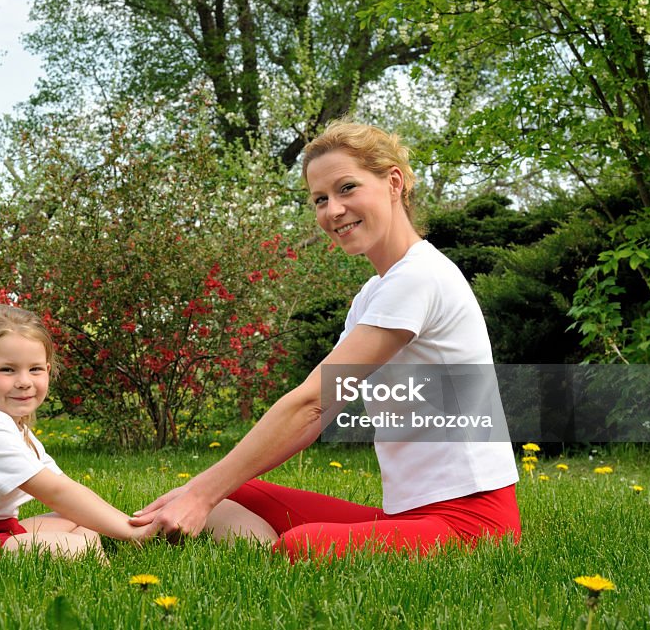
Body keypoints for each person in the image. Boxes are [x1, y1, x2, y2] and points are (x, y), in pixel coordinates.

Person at [130, 120, 521, 562]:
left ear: (393, 182)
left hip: (472, 526)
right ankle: (133, 530)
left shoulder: (420, 277)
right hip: (410, 517)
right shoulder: (375, 292)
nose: (333, 210)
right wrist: (200, 491)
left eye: (347, 188)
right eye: (320, 199)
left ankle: (229, 540)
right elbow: (323, 411)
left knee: (295, 544)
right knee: (236, 493)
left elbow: (312, 403)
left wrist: (201, 495)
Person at [0, 305, 151, 558]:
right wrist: (133, 532)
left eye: (35, 369)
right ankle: (98, 568)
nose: (24, 381)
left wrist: (130, 524)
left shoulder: (8, 424)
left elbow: (64, 486)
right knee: (76, 547)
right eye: (7, 369)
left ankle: (98, 550)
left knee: (84, 523)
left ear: (47, 371)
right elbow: (56, 493)